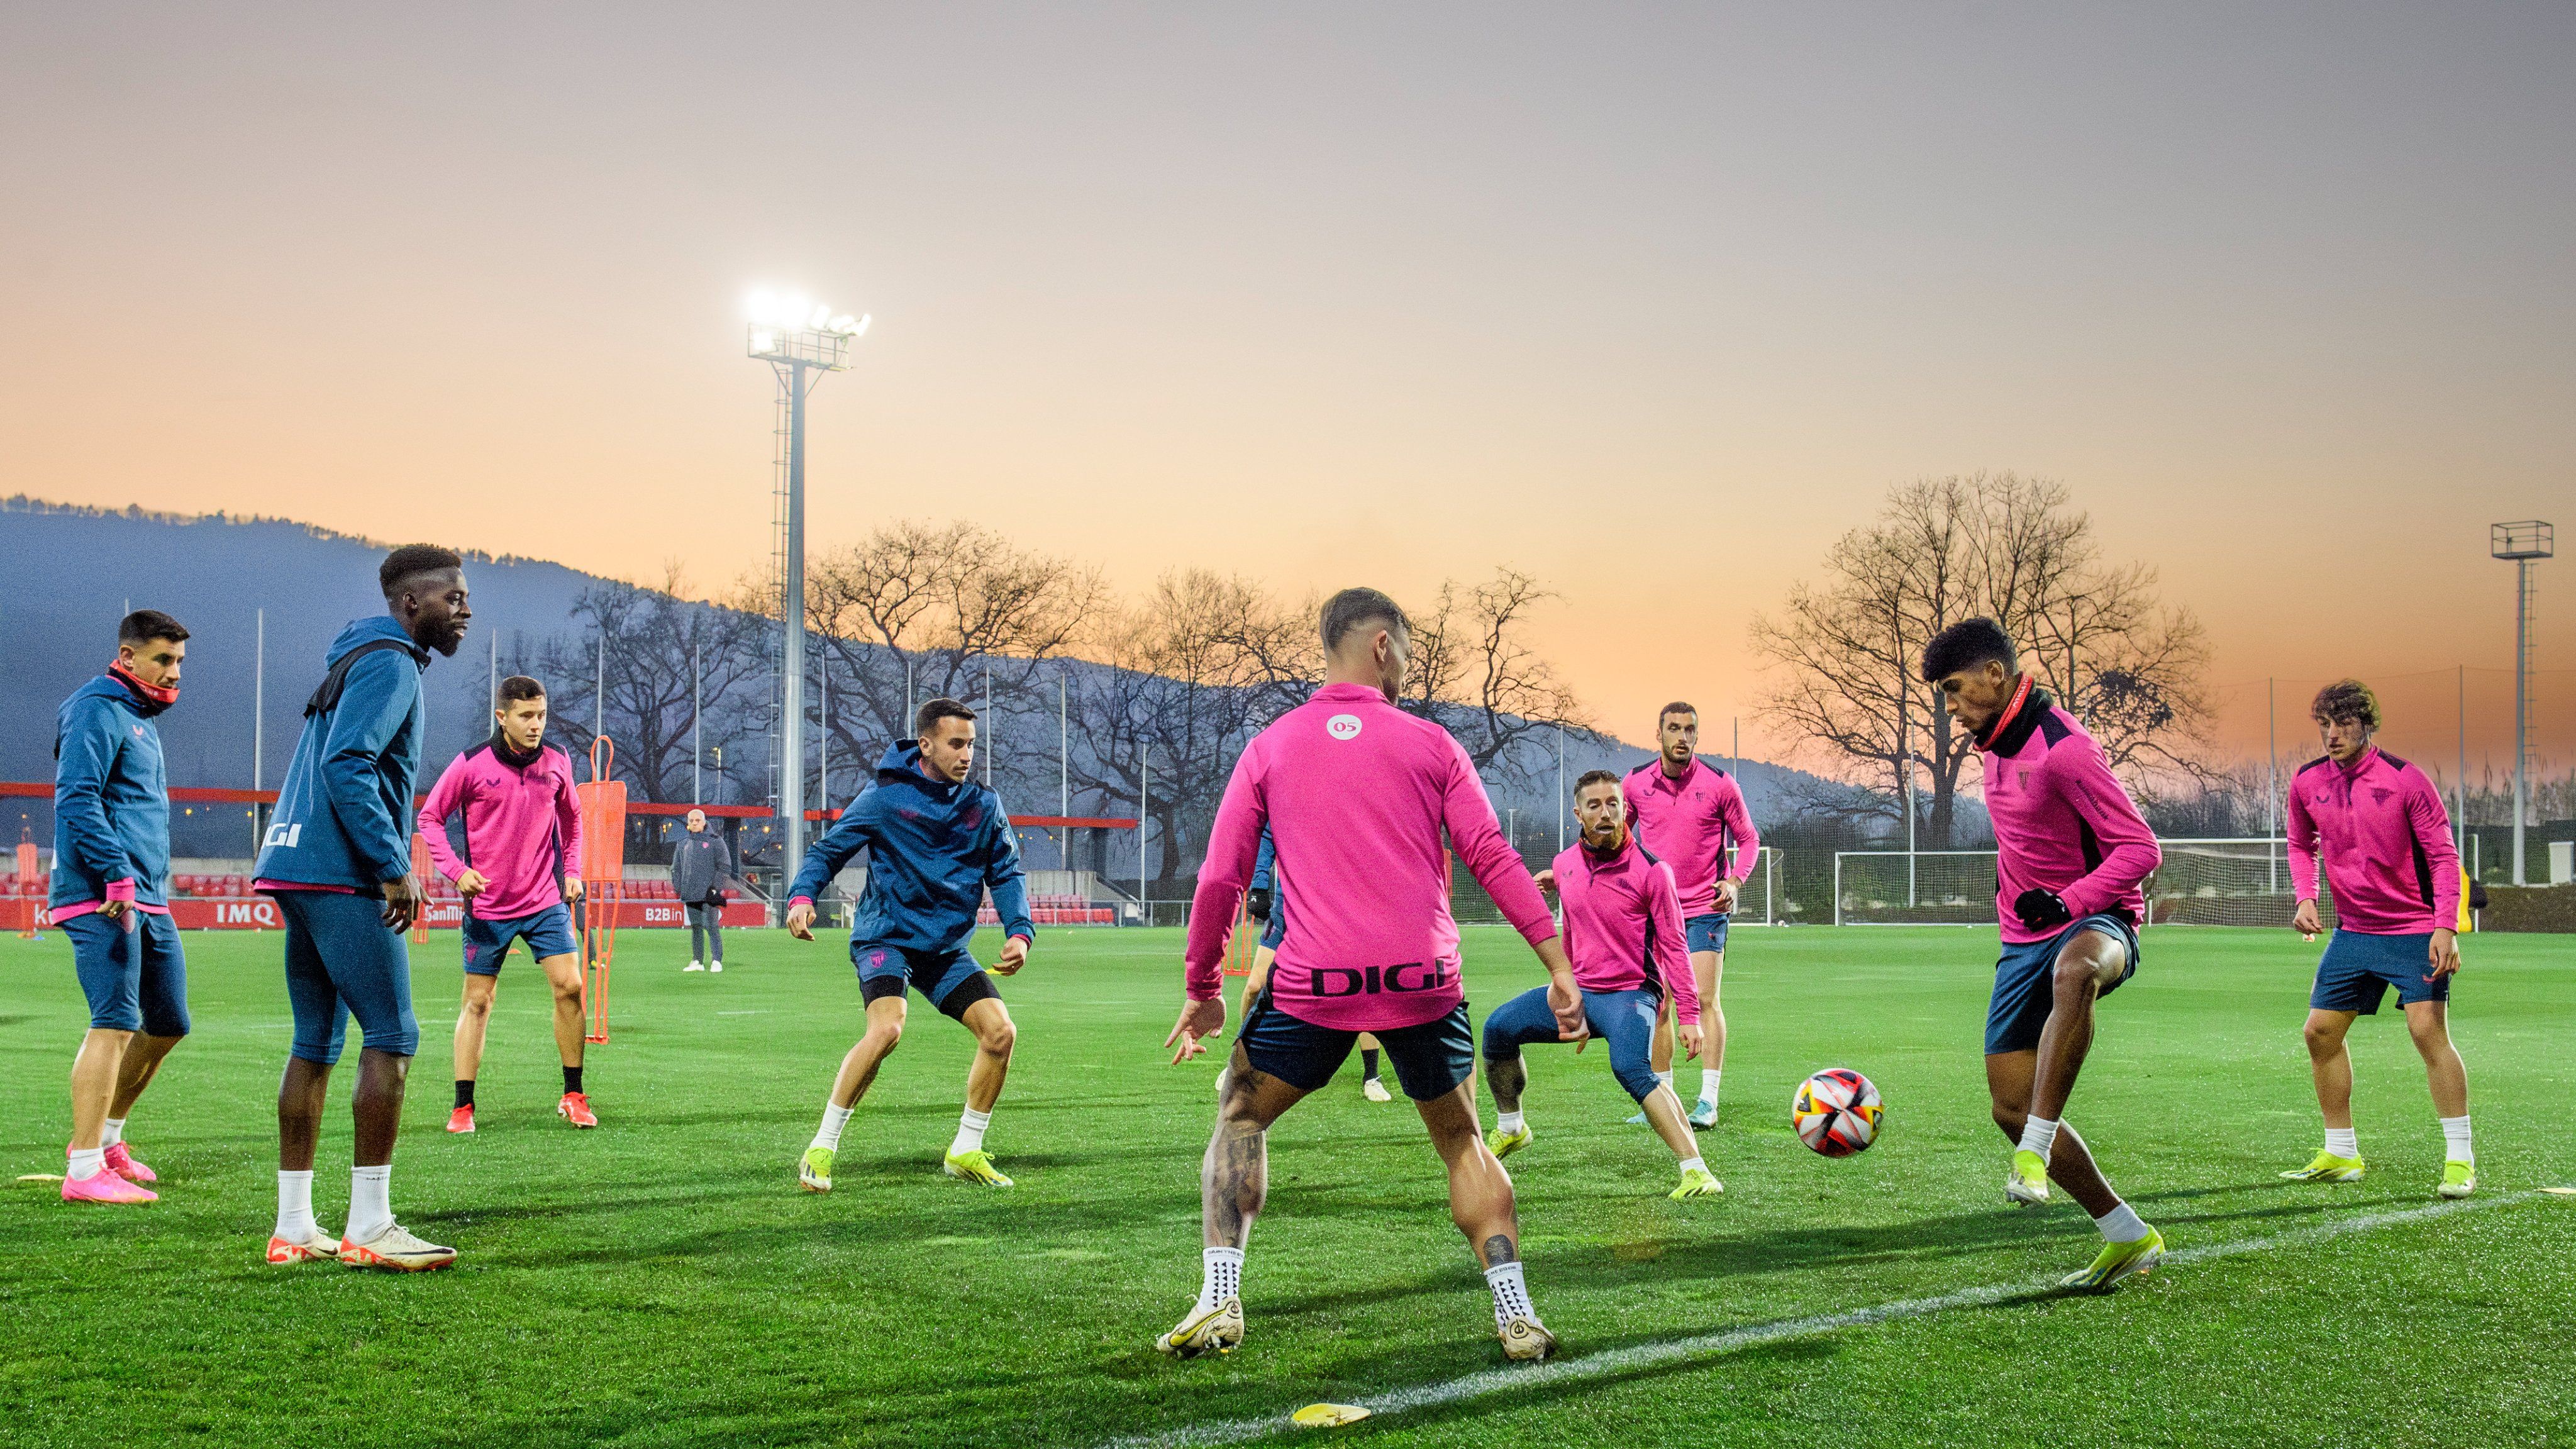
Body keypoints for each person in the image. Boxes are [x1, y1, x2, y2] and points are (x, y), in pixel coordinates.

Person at [1161, 587, 1585, 1363]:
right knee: (1461, 1142)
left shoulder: (1271, 746)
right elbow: (1490, 856)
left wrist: (1203, 990)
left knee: (1240, 1119)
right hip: (1423, 979)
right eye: (1409, 653)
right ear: (1383, 645)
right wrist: (1556, 963)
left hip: (1314, 983)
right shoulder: (1431, 744)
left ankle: (1218, 1301)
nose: (1408, 670)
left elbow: (1220, 877)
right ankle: (1516, 1313)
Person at [1921, 617, 2167, 1292]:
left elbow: (2142, 850)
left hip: (2099, 921)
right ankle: (2125, 1234)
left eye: (1954, 689)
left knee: (2076, 968)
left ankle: (2034, 1150)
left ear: (1995, 677)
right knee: (2006, 1104)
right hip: (2020, 939)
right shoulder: (1993, 745)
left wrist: (2069, 901)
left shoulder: (2066, 750)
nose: (1949, 707)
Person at [252, 544, 470, 1270]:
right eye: (452, 597)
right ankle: (370, 1226)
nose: (464, 609)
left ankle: (294, 1226)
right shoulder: (391, 662)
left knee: (315, 1042)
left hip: (295, 862)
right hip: (341, 870)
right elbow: (349, 761)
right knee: (394, 1033)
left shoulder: (357, 655)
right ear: (412, 604)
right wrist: (390, 866)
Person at [786, 699, 1034, 1191]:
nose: (966, 755)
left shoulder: (984, 805)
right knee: (887, 1030)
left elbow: (1005, 872)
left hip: (943, 949)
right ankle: (822, 1146)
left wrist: (1019, 932)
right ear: (926, 745)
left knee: (1000, 1033)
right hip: (887, 937)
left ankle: (965, 1149)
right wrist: (801, 896)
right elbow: (829, 851)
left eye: (971, 745)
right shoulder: (884, 798)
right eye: (956, 744)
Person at [2278, 679, 2474, 1197]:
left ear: (2368, 726)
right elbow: (2301, 845)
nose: (2332, 735)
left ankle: (2460, 1159)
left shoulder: (2407, 781)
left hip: (2413, 931)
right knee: (2320, 1033)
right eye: (2324, 724)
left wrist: (2445, 927)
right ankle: (2341, 1152)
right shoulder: (2306, 782)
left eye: (2343, 724)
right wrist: (2305, 897)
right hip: (2354, 932)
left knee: (2427, 1034)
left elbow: (2443, 857)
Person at [1484, 770, 1719, 1200]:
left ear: (1625, 809)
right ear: (1579, 813)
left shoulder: (1654, 872)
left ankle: (1697, 1171)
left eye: (1613, 803)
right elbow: (1571, 927)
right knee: (1498, 1029)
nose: (1606, 813)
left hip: (1632, 993)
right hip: (1582, 990)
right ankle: (1512, 1128)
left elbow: (1674, 947)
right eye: (1595, 805)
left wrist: (1688, 1016)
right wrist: (1566, 992)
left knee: (1631, 1068)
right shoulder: (1565, 865)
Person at [52, 610, 193, 1206]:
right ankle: (83, 1170)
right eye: (163, 659)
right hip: (103, 896)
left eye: (180, 661)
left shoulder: (139, 715)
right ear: (128, 656)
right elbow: (76, 798)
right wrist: (114, 876)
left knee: (168, 1022)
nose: (174, 671)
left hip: (150, 897)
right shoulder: (94, 708)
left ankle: (109, 1139)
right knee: (113, 1021)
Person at [415, 675, 592, 1135]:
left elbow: (573, 821)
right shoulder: (471, 764)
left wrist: (571, 871)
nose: (537, 725)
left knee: (570, 987)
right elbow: (430, 819)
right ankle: (463, 1107)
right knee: (478, 1002)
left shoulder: (557, 761)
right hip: (488, 905)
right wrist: (457, 871)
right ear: (502, 716)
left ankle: (573, 1095)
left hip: (545, 899)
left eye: (542, 715)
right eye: (526, 716)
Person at [1617, 702, 1760, 1128]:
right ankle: (1663, 1101)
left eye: (1690, 730)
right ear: (1658, 734)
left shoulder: (1720, 784)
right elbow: (1617, 838)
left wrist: (1733, 883)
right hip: (1654, 913)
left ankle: (1708, 1102)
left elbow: (1749, 840)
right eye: (1674, 729)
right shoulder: (1635, 783)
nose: (1683, 737)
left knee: (1701, 1000)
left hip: (1704, 910)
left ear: (1698, 736)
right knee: (1658, 1007)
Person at [1239, 826, 1390, 1101]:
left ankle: (1372, 1076)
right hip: (1288, 907)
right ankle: (1243, 1061)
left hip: (1339, 905)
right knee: (1255, 985)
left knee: (1363, 988)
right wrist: (1259, 884)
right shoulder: (1290, 788)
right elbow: (1269, 833)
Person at [672, 808, 736, 973]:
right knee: (696, 927)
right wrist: (679, 887)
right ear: (688, 823)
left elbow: (725, 866)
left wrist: (715, 888)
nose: (694, 823)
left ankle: (716, 960)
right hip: (691, 893)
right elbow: (676, 868)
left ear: (704, 822)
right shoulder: (683, 843)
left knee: (712, 926)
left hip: (710, 893)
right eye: (691, 821)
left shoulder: (716, 841)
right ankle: (698, 961)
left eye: (698, 820)